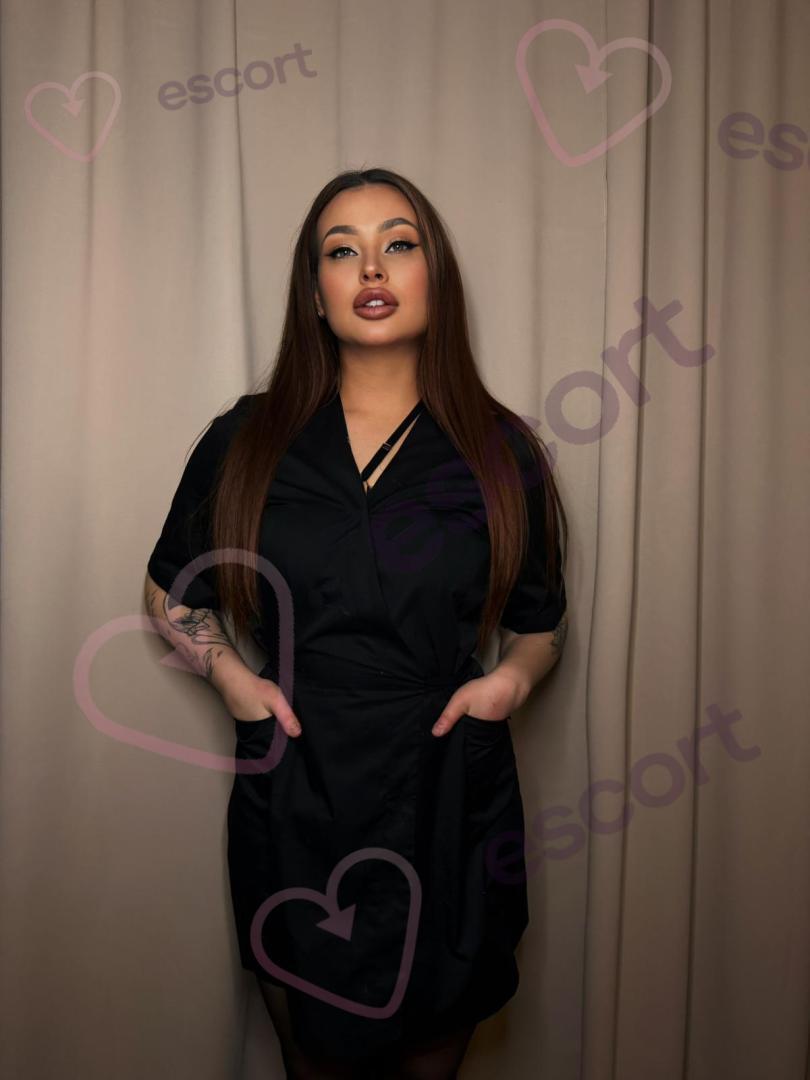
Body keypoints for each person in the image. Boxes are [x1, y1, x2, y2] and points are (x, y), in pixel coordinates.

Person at [144, 167, 569, 1079]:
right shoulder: (246, 440)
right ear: (316, 294)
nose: (372, 267)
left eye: (398, 243)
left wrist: (510, 682)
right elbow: (171, 592)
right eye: (343, 251)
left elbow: (541, 626)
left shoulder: (504, 451)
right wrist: (234, 682)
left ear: (433, 276)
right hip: (299, 787)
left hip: (449, 792)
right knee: (318, 1063)